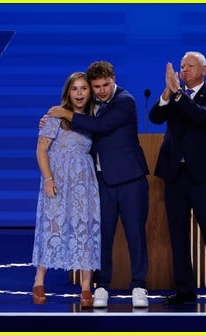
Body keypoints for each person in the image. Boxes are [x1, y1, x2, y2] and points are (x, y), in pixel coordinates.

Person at [46, 61, 150, 308]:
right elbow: (77, 116)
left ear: (113, 79)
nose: (102, 91)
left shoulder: (126, 101)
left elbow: (100, 126)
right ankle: (102, 285)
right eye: (97, 87)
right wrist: (50, 121)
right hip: (101, 181)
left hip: (130, 180)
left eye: (106, 84)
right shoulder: (92, 105)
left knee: (135, 234)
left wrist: (65, 114)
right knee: (101, 235)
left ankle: (139, 286)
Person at [148, 51, 206, 308]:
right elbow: (155, 117)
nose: (184, 70)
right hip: (175, 175)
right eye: (181, 66)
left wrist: (179, 95)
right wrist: (165, 94)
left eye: (189, 66)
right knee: (178, 236)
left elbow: (202, 118)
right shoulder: (173, 96)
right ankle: (185, 290)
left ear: (203, 70)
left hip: (203, 176)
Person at [32, 72, 101, 308]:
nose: (79, 93)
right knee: (52, 226)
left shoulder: (94, 118)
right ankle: (39, 281)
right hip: (58, 180)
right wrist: (48, 179)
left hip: (83, 183)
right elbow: (41, 150)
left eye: (83, 88)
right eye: (75, 89)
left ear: (90, 92)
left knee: (85, 229)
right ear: (68, 92)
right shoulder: (53, 117)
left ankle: (85, 288)